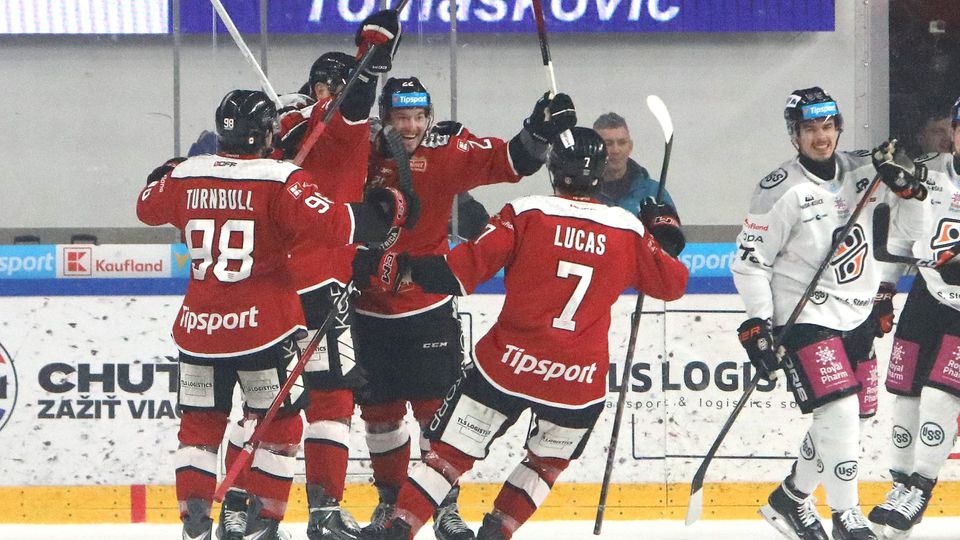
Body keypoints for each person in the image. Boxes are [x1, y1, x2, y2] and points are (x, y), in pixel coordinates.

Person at [354, 126, 688, 540]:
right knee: (544, 465)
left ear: (553, 169)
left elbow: (457, 274)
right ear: (601, 172)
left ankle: (398, 528)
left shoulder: (526, 212)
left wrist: (395, 267)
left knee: (447, 458)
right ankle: (498, 532)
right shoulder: (628, 228)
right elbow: (673, 284)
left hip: (507, 367)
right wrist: (663, 231)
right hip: (577, 383)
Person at [137, 89, 413, 540]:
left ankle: (194, 526)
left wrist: (168, 170)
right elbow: (337, 226)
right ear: (266, 133)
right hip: (260, 332)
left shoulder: (186, 175)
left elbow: (146, 205)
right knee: (280, 427)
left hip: (198, 332)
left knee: (199, 432)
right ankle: (262, 525)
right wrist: (385, 211)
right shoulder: (282, 178)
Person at [353, 76, 576, 540]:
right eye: (401, 117)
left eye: (419, 117)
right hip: (366, 308)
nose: (411, 127)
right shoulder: (358, 148)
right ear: (384, 116)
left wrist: (539, 129)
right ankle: (391, 503)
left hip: (427, 307)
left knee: (437, 413)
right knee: (380, 415)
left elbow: (512, 161)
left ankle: (443, 507)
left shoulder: (447, 149)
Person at [731, 87, 927, 540]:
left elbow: (911, 238)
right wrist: (758, 322)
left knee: (851, 419)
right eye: (809, 129)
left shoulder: (866, 170)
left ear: (839, 128)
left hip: (857, 314)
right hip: (803, 317)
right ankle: (846, 517)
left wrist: (909, 191)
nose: (820, 137)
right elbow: (750, 262)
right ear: (794, 134)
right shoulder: (780, 189)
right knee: (838, 413)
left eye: (827, 126)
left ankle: (790, 498)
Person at [867, 96, 960, 538]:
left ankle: (921, 487)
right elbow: (900, 240)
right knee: (904, 394)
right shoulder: (926, 174)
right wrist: (884, 294)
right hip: (926, 294)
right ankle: (900, 486)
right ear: (953, 133)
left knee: (941, 397)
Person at [592, 112, 676, 213]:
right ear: (595, 148)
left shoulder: (654, 193)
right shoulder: (582, 192)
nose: (616, 150)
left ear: (630, 146)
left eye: (622, 143)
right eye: (608, 144)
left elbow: (671, 223)